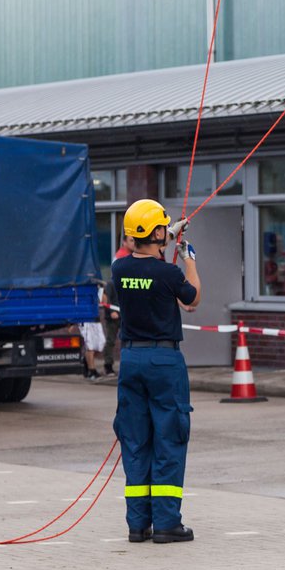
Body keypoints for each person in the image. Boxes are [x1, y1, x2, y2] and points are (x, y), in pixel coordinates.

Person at [112, 199, 201, 544]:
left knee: (135, 441)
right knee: (169, 437)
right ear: (157, 232)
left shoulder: (119, 270)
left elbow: (136, 256)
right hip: (164, 362)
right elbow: (191, 300)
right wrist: (188, 258)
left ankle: (138, 524)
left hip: (131, 362)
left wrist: (166, 234)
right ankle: (166, 523)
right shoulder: (169, 273)